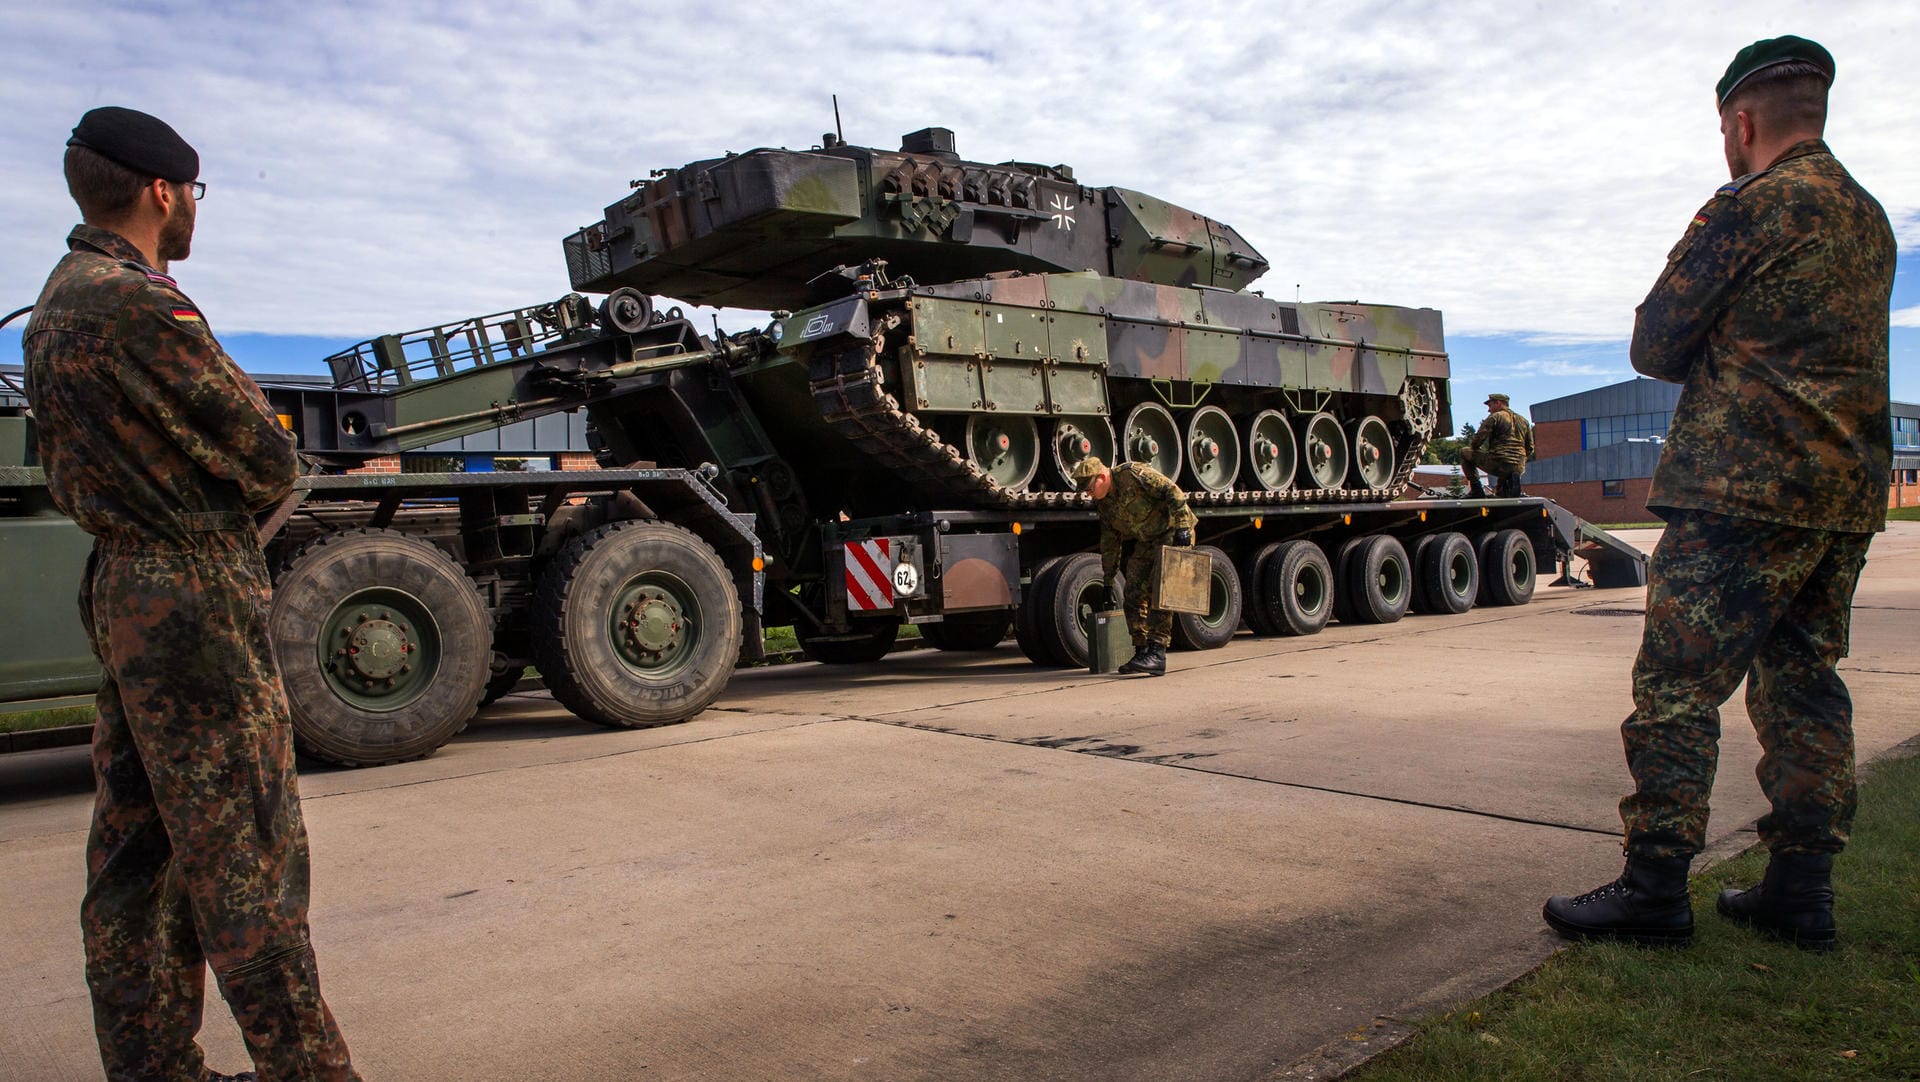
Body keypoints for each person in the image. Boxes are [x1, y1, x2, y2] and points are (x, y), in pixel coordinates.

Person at [24, 107, 361, 1079]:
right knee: (246, 854)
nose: (193, 212)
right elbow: (266, 455)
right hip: (193, 596)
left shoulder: (56, 302)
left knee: (136, 854)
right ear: (162, 192)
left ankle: (152, 1063)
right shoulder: (142, 304)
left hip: (125, 586)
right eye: (193, 194)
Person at [1543, 36, 1895, 951]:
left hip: (1740, 490)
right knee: (1805, 686)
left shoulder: (1751, 208)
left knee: (1675, 689)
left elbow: (1655, 344)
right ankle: (1801, 890)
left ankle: (1656, 886)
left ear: (1741, 122)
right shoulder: (1870, 219)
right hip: (1843, 495)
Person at [1070, 455, 1198, 677]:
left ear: (1102, 477)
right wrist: (1108, 580)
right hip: (1148, 540)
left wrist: (1183, 526)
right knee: (1133, 591)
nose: (1088, 495)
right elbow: (1110, 541)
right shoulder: (1105, 504)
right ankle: (1142, 651)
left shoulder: (1133, 475)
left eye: (1090, 489)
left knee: (1161, 590)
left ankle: (1157, 652)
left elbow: (1171, 490)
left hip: (1171, 533)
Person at [1458, 393, 1533, 498]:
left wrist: (1478, 449)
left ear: (1498, 403)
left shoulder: (1495, 417)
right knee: (1501, 493)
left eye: (1490, 406)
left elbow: (1477, 441)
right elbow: (1530, 447)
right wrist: (1519, 459)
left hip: (1499, 463)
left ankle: (1476, 490)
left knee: (1464, 452)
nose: (1489, 410)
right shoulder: (1524, 421)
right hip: (1518, 467)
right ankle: (1511, 484)